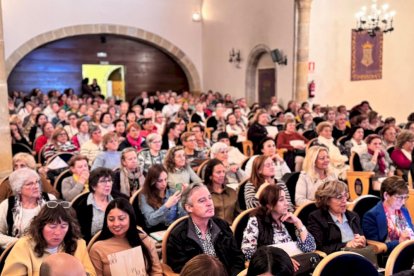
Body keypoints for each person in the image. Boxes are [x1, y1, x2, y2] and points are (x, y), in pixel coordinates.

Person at [166, 183, 245, 275]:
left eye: (210, 198)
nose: (209, 203)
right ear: (189, 207)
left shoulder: (222, 226)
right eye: (202, 200)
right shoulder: (178, 235)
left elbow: (237, 257)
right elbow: (181, 270)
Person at [2, 201, 95, 276]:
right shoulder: (24, 245)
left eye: (63, 226)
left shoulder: (78, 244)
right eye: (52, 226)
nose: (58, 232)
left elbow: (90, 273)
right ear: (41, 226)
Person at [241, 184, 316, 273]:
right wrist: (282, 260)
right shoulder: (256, 221)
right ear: (269, 205)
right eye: (281, 200)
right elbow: (248, 252)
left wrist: (298, 222)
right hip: (274, 269)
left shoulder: (289, 220)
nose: (287, 203)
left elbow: (310, 248)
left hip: (297, 268)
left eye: (286, 198)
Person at [89, 198, 162, 276]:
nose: (116, 224)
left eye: (121, 218)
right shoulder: (98, 249)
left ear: (131, 219)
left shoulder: (144, 240)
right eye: (111, 219)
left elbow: (156, 272)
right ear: (106, 222)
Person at [0, 168, 57, 249]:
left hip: (48, 249)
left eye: (37, 182)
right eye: (30, 184)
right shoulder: (7, 205)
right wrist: (21, 243)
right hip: (18, 251)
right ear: (18, 188)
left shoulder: (50, 200)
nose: (36, 186)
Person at [307, 180, 367, 254]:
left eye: (345, 195)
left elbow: (360, 239)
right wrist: (346, 245)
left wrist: (362, 241)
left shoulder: (353, 216)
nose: (344, 200)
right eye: (339, 197)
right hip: (335, 260)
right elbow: (320, 248)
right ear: (327, 200)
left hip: (359, 256)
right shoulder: (316, 218)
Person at [362, 176, 414, 252]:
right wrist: (399, 242)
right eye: (399, 197)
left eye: (405, 197)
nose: (403, 202)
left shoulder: (403, 210)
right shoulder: (371, 216)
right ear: (386, 195)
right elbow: (374, 247)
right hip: (392, 257)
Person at [139, 164, 186, 231]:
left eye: (165, 179)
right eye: (160, 181)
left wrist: (184, 199)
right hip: (156, 231)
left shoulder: (172, 192)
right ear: (152, 181)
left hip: (174, 230)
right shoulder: (144, 196)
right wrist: (167, 205)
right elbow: (151, 221)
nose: (164, 183)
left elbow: (182, 218)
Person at [74, 168, 114, 242]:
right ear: (93, 186)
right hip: (92, 244)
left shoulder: (118, 200)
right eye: (103, 181)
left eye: (109, 180)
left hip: (116, 240)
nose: (108, 184)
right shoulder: (82, 206)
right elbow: (79, 234)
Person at [203, 159, 238, 224]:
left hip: (231, 230)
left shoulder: (232, 192)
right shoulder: (203, 194)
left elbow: (238, 215)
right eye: (218, 172)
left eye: (223, 172)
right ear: (210, 176)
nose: (222, 175)